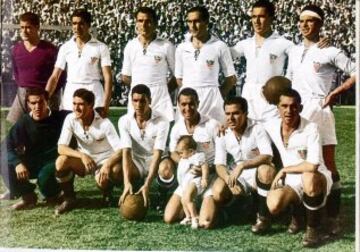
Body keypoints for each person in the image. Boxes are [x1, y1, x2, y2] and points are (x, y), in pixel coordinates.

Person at [286, 4, 356, 234]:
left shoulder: (330, 50)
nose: (304, 25)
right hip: (297, 110)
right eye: (301, 21)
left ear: (320, 24)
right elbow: (289, 82)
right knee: (298, 161)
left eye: (310, 21)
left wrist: (337, 92)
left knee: (328, 164)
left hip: (321, 110)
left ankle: (333, 217)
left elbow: (356, 70)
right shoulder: (294, 51)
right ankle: (300, 217)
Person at [264, 88, 333, 247]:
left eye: (294, 106)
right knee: (274, 205)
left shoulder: (311, 128)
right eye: (284, 106)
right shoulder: (272, 126)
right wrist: (224, 126)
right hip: (293, 180)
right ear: (278, 108)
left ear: (300, 108)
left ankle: (313, 228)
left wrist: (284, 170)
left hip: (316, 176)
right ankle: (298, 213)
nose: (289, 110)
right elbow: (249, 124)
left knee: (308, 177)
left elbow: (313, 165)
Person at [212, 96, 275, 233]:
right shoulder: (223, 133)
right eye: (228, 114)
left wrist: (242, 166)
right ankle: (244, 208)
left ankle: (264, 218)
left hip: (256, 170)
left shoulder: (257, 128)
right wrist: (229, 181)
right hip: (238, 174)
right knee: (217, 191)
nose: (231, 118)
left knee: (266, 170)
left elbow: (267, 156)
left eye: (236, 113)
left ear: (245, 113)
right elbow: (219, 164)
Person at [55, 89, 122, 214]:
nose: (76, 108)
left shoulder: (104, 123)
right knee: (61, 162)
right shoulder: (70, 118)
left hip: (104, 160)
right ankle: (69, 198)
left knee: (108, 177)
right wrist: (82, 155)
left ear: (91, 105)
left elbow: (120, 150)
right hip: (84, 160)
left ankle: (107, 193)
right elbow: (61, 147)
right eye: (74, 104)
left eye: (81, 104)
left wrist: (107, 165)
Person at [162, 87, 219, 229]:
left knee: (205, 223)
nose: (187, 108)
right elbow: (173, 152)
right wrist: (186, 163)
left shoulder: (211, 125)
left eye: (191, 103)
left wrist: (208, 170)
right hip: (188, 179)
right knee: (169, 217)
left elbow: (223, 154)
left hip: (209, 178)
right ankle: (192, 208)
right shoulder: (177, 128)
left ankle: (216, 208)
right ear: (178, 105)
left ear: (198, 103)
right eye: (183, 104)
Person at [231, 0, 293, 122]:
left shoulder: (283, 43)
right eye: (254, 16)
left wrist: (319, 41)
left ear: (271, 18)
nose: (256, 21)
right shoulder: (245, 44)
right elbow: (222, 53)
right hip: (249, 98)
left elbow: (303, 55)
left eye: (261, 16)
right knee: (249, 139)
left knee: (274, 139)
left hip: (271, 98)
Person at [4, 88, 65, 209]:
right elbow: (5, 146)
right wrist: (17, 163)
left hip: (55, 162)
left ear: (47, 101)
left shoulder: (61, 118)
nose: (37, 106)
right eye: (33, 103)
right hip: (34, 162)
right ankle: (28, 196)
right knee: (6, 163)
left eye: (41, 102)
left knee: (45, 177)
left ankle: (53, 195)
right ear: (27, 104)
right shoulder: (24, 121)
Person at [46, 9, 112, 117]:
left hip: (94, 93)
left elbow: (108, 77)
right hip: (71, 94)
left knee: (95, 132)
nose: (77, 27)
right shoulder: (65, 47)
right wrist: (45, 98)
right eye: (74, 23)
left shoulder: (101, 47)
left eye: (81, 23)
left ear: (88, 25)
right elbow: (55, 76)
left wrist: (106, 105)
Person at [175, 6, 236, 122]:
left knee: (213, 136)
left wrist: (217, 95)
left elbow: (231, 78)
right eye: (189, 21)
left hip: (212, 100)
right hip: (188, 100)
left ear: (206, 22)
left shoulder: (220, 46)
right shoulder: (181, 48)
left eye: (197, 21)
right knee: (186, 136)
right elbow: (179, 78)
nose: (192, 25)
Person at [7, 12, 65, 124]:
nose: (24, 31)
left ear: (37, 27)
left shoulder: (50, 50)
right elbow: (16, 73)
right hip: (23, 93)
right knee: (18, 126)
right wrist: (23, 87)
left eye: (28, 27)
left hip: (45, 93)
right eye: (22, 27)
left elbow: (60, 76)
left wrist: (49, 95)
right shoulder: (16, 49)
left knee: (47, 128)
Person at [118, 84, 170, 212]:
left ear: (150, 101)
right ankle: (132, 188)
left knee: (166, 170)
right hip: (137, 160)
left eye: (143, 101)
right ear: (131, 101)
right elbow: (126, 152)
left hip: (156, 159)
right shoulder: (124, 120)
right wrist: (126, 182)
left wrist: (148, 184)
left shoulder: (163, 120)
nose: (139, 105)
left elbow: (158, 153)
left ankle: (162, 196)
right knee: (118, 170)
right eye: (135, 101)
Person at [121, 7, 176, 121]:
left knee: (161, 135)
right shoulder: (130, 46)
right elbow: (125, 76)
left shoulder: (166, 46)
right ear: (136, 23)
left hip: (160, 99)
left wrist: (163, 89)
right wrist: (140, 88)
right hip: (137, 98)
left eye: (148, 21)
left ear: (155, 24)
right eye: (140, 21)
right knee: (137, 134)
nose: (144, 25)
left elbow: (178, 75)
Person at [174, 136, 209, 229]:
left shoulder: (196, 156)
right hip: (186, 183)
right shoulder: (184, 159)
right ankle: (188, 217)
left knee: (188, 198)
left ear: (191, 151)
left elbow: (204, 165)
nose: (180, 155)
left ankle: (195, 217)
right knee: (183, 200)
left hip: (195, 181)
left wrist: (204, 178)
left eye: (181, 152)